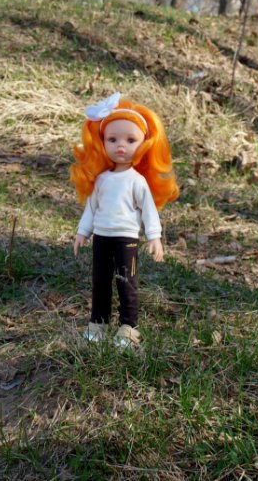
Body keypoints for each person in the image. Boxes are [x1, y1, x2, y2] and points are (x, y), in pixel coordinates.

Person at [70, 92, 179, 348]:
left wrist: (154, 237)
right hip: (101, 237)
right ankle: (98, 323)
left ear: (145, 144)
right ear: (101, 143)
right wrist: (82, 232)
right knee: (100, 282)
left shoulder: (137, 181)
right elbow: (92, 208)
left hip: (126, 240)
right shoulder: (101, 179)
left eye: (131, 140)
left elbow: (148, 210)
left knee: (126, 282)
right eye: (113, 139)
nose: (121, 146)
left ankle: (129, 327)